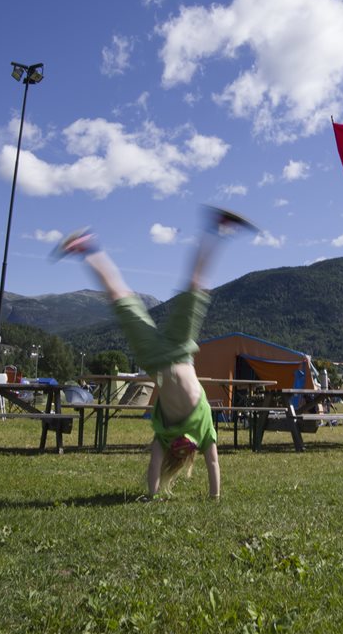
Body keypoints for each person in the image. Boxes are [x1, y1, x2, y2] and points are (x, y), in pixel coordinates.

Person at [54, 206, 256, 500]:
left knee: (121, 299)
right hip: (180, 348)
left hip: (155, 357)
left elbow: (153, 465)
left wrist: (152, 493)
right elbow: (213, 462)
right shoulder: (204, 432)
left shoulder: (163, 433)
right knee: (195, 288)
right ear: (190, 454)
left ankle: (87, 248)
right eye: (184, 451)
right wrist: (214, 497)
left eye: (177, 450)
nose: (181, 446)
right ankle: (218, 228)